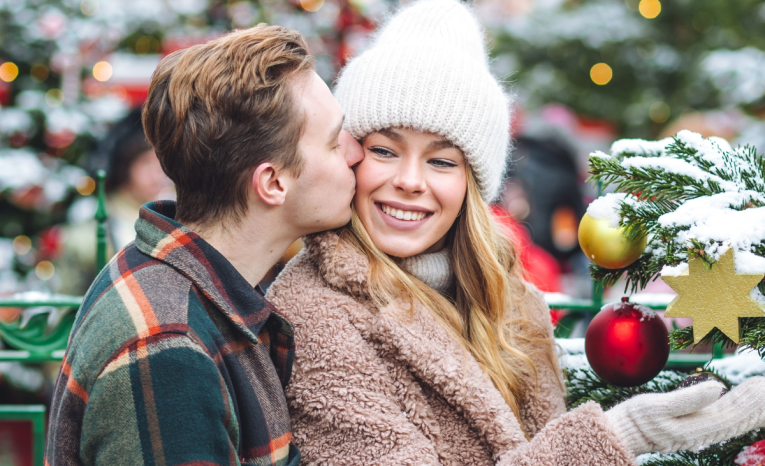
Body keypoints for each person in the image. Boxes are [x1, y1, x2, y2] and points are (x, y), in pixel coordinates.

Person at [266, 1, 765, 464]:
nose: (410, 181)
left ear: (472, 184)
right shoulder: (315, 312)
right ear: (350, 154)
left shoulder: (511, 300)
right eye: (385, 151)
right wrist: (621, 435)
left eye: (441, 161)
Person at [46, 25, 363, 466]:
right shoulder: (169, 351)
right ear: (272, 183)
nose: (356, 153)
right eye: (334, 142)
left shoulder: (178, 284)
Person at [56, 108, 173, 295]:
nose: (157, 174)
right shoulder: (90, 232)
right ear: (125, 166)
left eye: (160, 163)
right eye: (146, 163)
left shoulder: (170, 218)